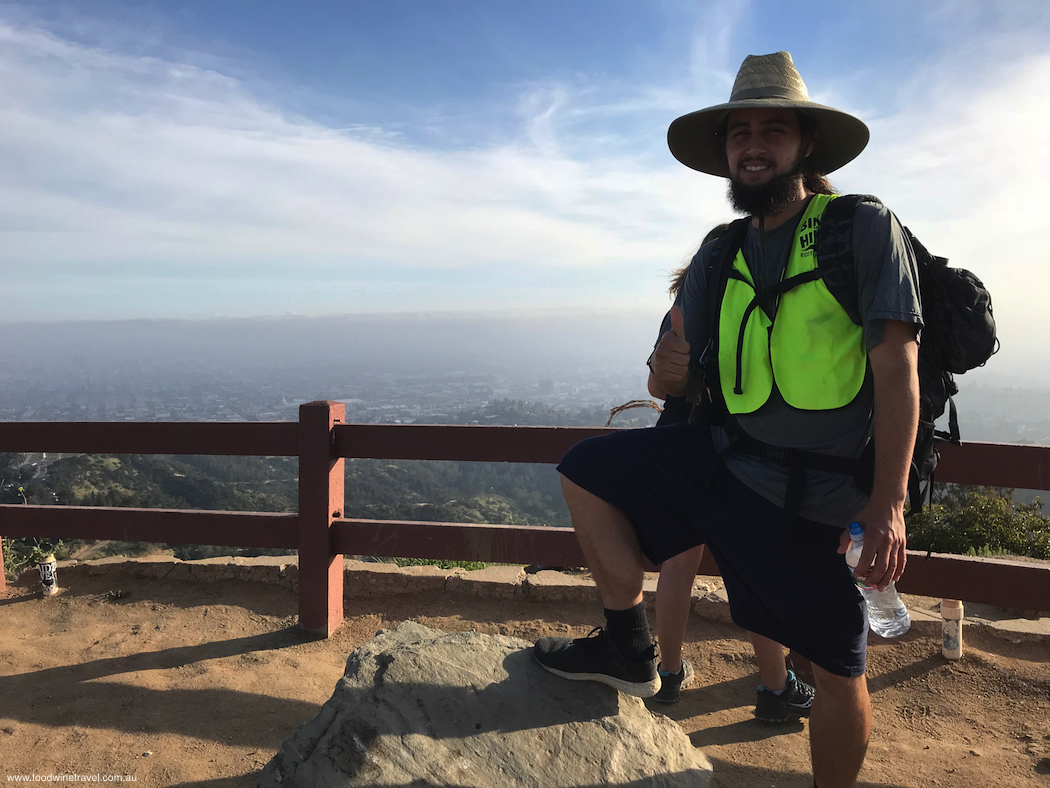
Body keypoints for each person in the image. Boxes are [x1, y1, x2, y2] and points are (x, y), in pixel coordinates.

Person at [534, 51, 921, 788]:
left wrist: (889, 503)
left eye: (773, 129)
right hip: (730, 466)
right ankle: (628, 646)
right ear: (725, 154)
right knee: (587, 471)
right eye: (740, 131)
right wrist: (666, 372)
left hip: (827, 498)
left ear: (805, 144)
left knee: (839, 670)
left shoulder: (859, 229)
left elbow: (895, 364)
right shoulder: (721, 252)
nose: (753, 144)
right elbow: (665, 370)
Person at [650, 225, 815, 723]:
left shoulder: (684, 306)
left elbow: (659, 389)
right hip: (734, 452)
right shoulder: (760, 305)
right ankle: (775, 686)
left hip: (678, 444)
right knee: (750, 569)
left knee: (677, 566)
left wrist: (670, 367)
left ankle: (669, 674)